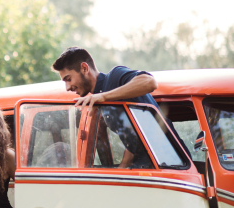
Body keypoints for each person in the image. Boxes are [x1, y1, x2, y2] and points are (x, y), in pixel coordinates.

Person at [51, 46, 191, 168]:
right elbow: (133, 137)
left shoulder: (114, 77)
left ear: (84, 68)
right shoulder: (99, 99)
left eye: (68, 79)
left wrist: (104, 97)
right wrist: (123, 166)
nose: (67, 87)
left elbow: (149, 82)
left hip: (171, 165)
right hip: (148, 167)